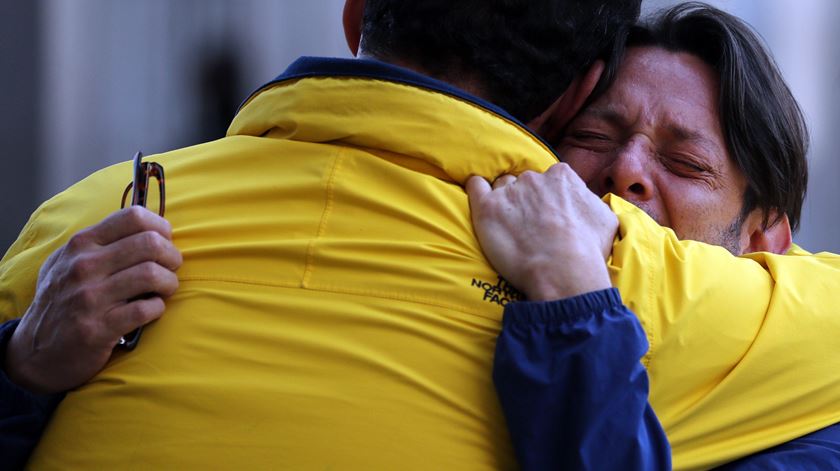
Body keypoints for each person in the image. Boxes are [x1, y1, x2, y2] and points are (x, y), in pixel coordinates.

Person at [0, 0, 642, 468]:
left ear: (356, 17)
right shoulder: (634, 274)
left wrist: (20, 365)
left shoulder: (81, 226)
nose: (632, 176)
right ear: (578, 93)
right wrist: (578, 306)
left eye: (684, 163)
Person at [468, 3, 840, 469]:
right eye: (591, 136)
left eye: (685, 164)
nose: (626, 169)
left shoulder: (817, 440)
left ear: (763, 243)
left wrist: (572, 298)